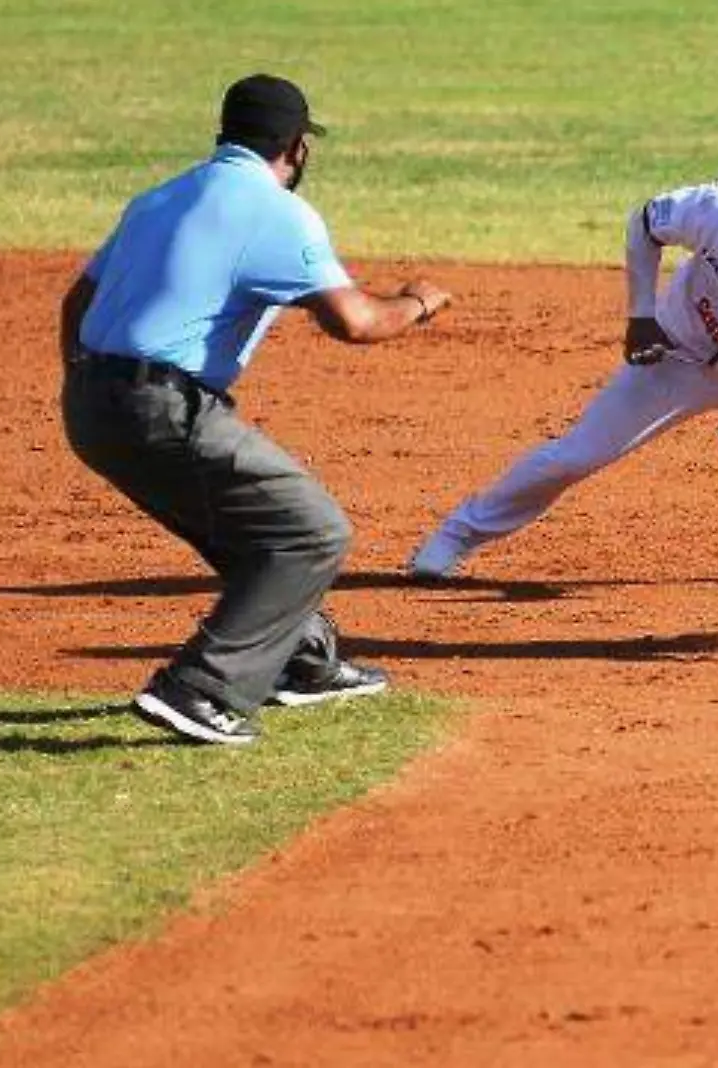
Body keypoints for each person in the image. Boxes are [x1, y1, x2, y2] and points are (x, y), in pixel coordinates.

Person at [58, 74, 453, 744]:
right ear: (296, 149)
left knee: (249, 528)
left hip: (90, 404)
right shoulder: (277, 212)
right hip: (162, 405)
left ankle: (301, 662)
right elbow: (355, 322)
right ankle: (202, 688)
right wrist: (416, 302)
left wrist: (92, 383)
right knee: (312, 531)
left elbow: (76, 303)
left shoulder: (160, 197)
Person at [406, 142, 718, 579]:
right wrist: (641, 313)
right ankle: (456, 535)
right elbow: (646, 222)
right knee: (579, 453)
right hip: (681, 356)